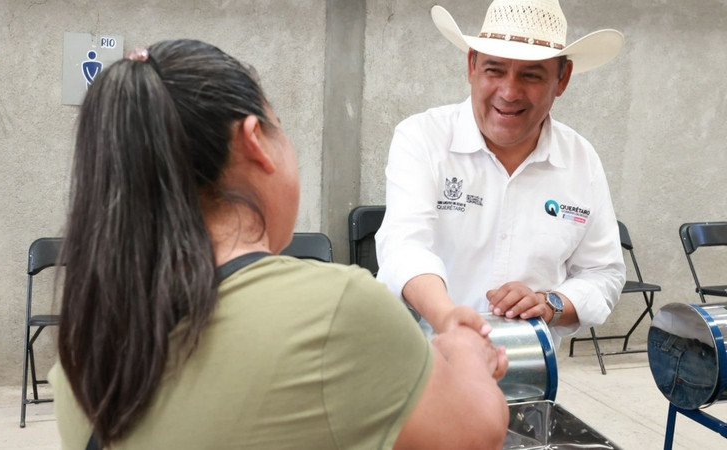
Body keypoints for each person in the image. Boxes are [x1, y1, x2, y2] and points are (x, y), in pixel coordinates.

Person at [48, 39, 509, 449]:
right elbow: (477, 431)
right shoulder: (337, 309)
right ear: (255, 143)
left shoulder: (84, 352)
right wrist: (466, 350)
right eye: (280, 126)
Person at [375, 0, 627, 344]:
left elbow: (604, 273)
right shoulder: (422, 138)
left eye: (531, 75)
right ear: (471, 67)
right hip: (421, 361)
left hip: (530, 371)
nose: (509, 92)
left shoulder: (582, 159)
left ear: (561, 79)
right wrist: (452, 322)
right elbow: (404, 247)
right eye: (495, 70)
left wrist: (549, 304)